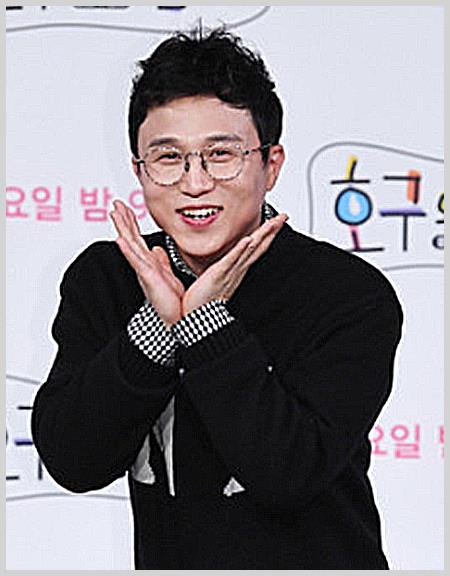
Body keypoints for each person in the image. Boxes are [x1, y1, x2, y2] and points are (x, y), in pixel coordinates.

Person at [31, 28, 403, 569]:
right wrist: (156, 329)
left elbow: (289, 473)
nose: (195, 183)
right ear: (139, 170)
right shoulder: (108, 277)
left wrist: (204, 321)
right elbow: (73, 460)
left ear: (271, 164)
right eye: (168, 158)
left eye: (221, 155)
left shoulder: (348, 294)